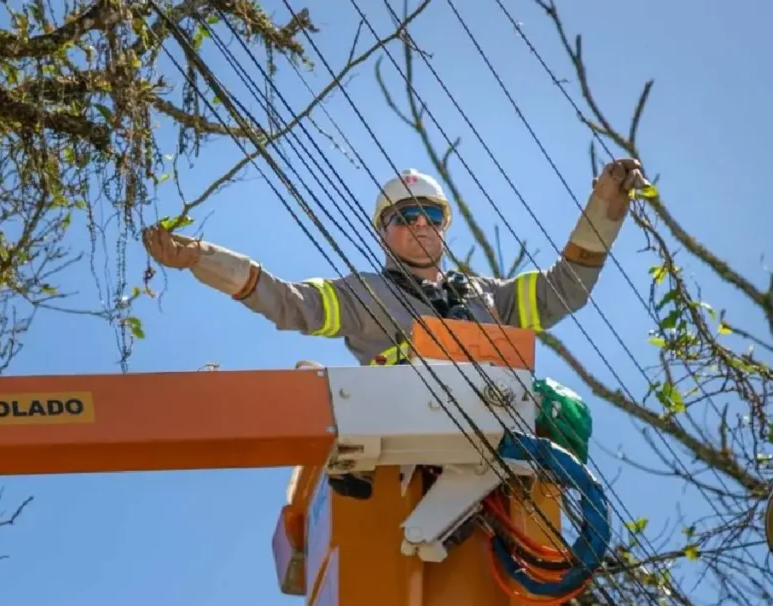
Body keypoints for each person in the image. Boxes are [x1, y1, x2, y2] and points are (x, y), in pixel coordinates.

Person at [143, 159, 647, 498]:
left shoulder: (489, 296)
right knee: (315, 381)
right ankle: (350, 460)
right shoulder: (364, 295)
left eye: (430, 214)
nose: (421, 224)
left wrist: (605, 210)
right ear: (384, 232)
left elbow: (567, 289)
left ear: (445, 226)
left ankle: (542, 494)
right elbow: (288, 302)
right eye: (405, 216)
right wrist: (200, 259)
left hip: (495, 432)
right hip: (413, 433)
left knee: (568, 411)